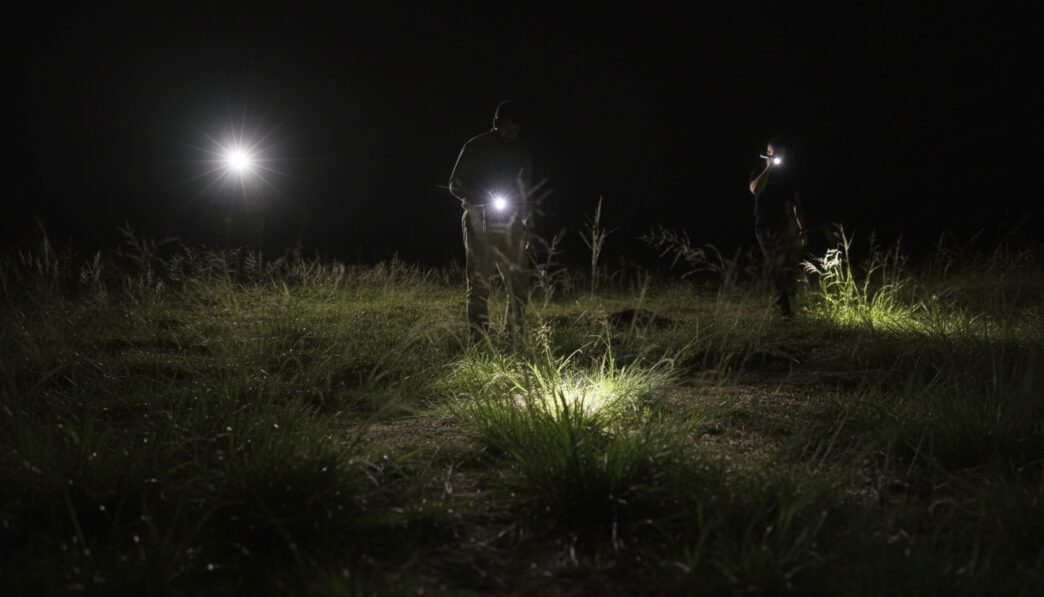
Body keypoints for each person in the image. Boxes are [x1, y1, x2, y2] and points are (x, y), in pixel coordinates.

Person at [449, 100, 533, 341]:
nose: (511, 134)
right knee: (479, 283)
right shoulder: (475, 146)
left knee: (519, 282)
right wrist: (481, 197)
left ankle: (513, 336)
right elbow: (454, 183)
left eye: (515, 131)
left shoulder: (522, 154)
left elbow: (527, 192)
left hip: (513, 222)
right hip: (479, 219)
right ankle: (479, 338)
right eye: (506, 129)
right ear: (495, 123)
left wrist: (529, 226)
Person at [748, 138, 807, 319]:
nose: (778, 156)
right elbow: (755, 190)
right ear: (768, 152)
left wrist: (802, 229)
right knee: (774, 262)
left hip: (784, 225)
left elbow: (797, 204)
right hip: (764, 225)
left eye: (781, 153)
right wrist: (770, 167)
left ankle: (789, 301)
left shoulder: (788, 176)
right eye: (774, 152)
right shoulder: (759, 171)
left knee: (788, 263)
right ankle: (783, 310)